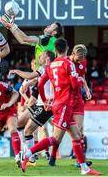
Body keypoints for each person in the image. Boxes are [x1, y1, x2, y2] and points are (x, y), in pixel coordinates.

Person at [21, 38, 101, 175]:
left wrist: (45, 100)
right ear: (67, 48)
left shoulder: (50, 66)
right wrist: (77, 80)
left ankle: (84, 168)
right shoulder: (68, 63)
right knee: (56, 138)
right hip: (65, 103)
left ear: (55, 50)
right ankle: (28, 153)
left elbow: (40, 84)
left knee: (76, 136)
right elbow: (75, 85)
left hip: (59, 103)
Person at [49, 44, 92, 167]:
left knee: (79, 131)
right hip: (65, 99)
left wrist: (87, 90)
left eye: (82, 59)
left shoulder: (83, 62)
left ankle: (80, 161)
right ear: (72, 54)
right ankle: (52, 157)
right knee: (59, 134)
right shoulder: (64, 62)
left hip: (78, 100)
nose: (80, 61)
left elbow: (82, 77)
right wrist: (53, 95)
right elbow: (54, 80)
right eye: (78, 59)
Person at [9, 50, 55, 164]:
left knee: (28, 130)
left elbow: (29, 75)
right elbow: (37, 80)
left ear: (47, 58)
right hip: (39, 103)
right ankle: (28, 153)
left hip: (47, 105)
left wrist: (15, 70)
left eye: (42, 55)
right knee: (19, 123)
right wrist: (30, 83)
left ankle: (30, 155)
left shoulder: (47, 67)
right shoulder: (45, 69)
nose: (39, 57)